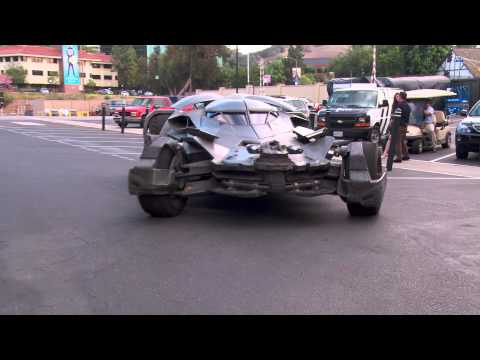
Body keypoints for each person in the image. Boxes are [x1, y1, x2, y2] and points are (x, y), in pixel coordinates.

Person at [393, 91, 411, 163]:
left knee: (398, 142)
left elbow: (396, 117)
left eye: (399, 96)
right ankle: (406, 155)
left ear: (400, 97)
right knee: (402, 141)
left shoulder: (399, 105)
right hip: (405, 125)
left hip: (399, 125)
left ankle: (399, 157)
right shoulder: (407, 105)